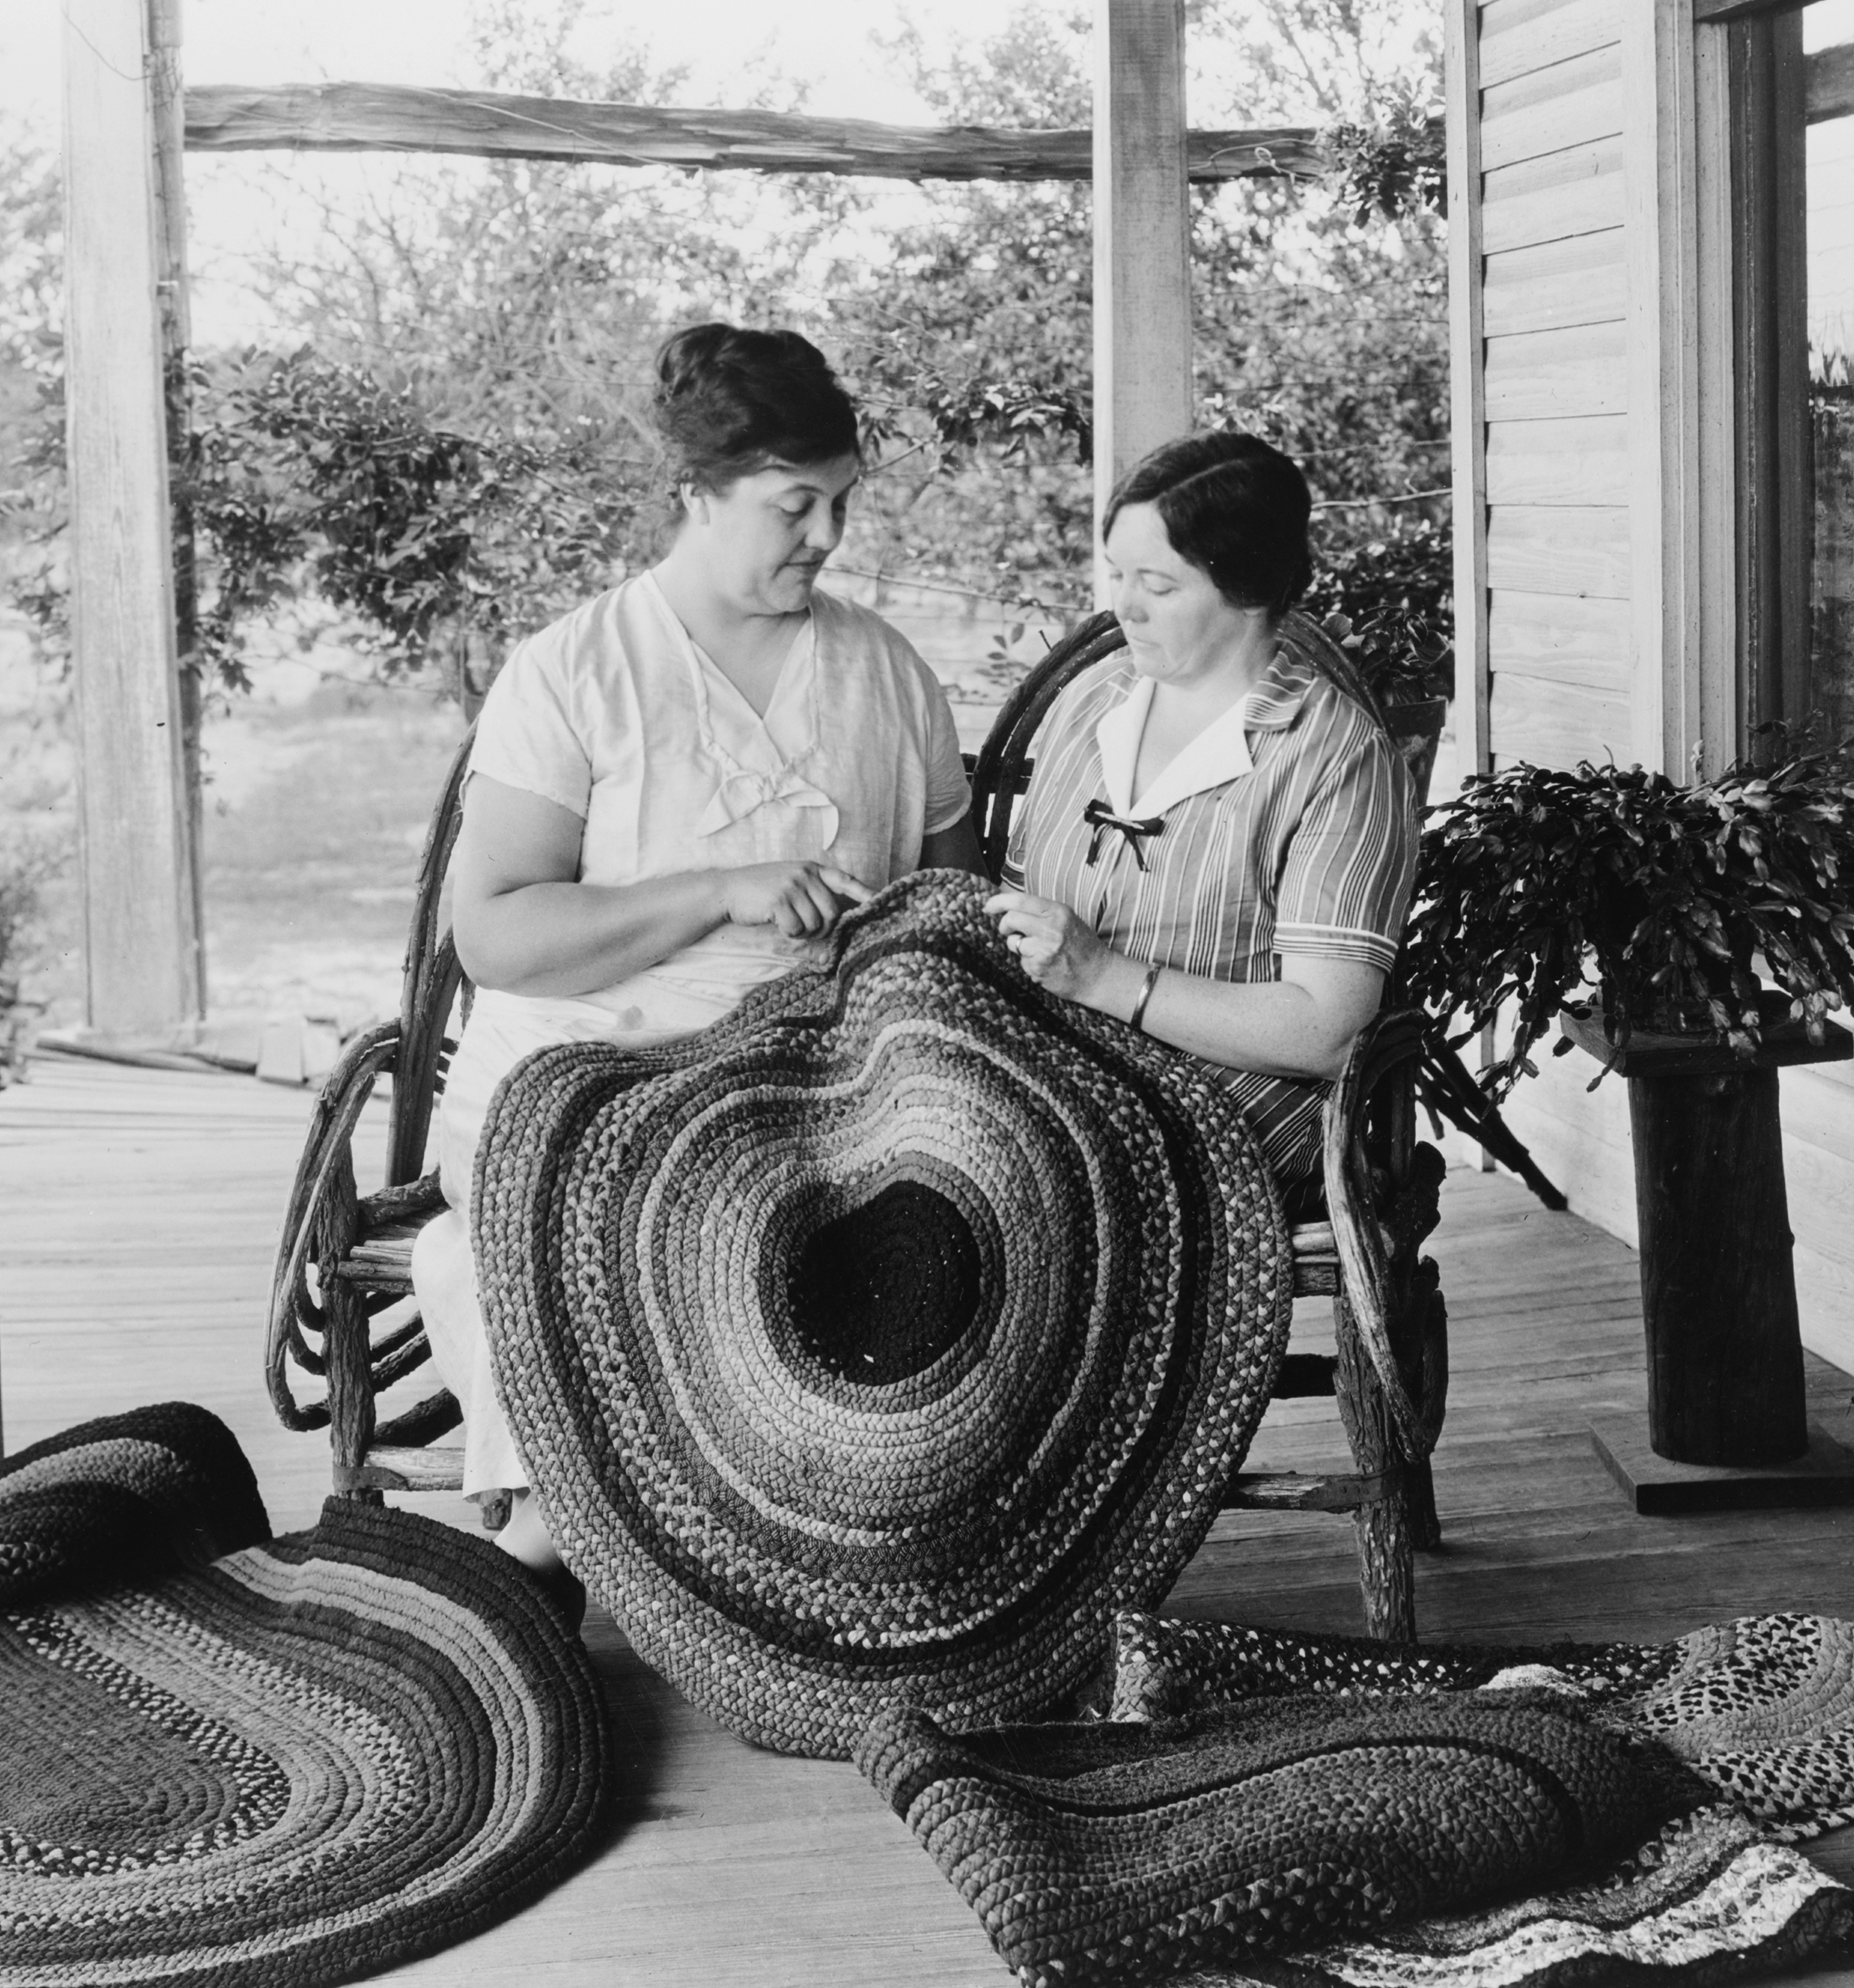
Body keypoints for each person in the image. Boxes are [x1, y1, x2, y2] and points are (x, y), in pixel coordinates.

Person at [409, 322, 984, 1580]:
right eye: (794, 507)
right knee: (555, 1216)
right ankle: (568, 1535)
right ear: (698, 497)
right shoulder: (576, 673)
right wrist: (721, 887)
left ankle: (703, 1540)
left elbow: (955, 909)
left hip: (815, 1095)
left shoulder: (889, 677)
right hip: (587, 1068)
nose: (828, 538)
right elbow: (498, 931)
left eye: (841, 503)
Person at [985, 430, 1419, 1191]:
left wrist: (1107, 980)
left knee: (1029, 1179)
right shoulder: (1090, 700)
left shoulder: (1333, 754)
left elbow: (1328, 1031)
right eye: (1117, 573)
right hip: (1058, 1066)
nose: (1122, 606)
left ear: (1247, 588)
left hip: (1240, 1089)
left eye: (1158, 584)